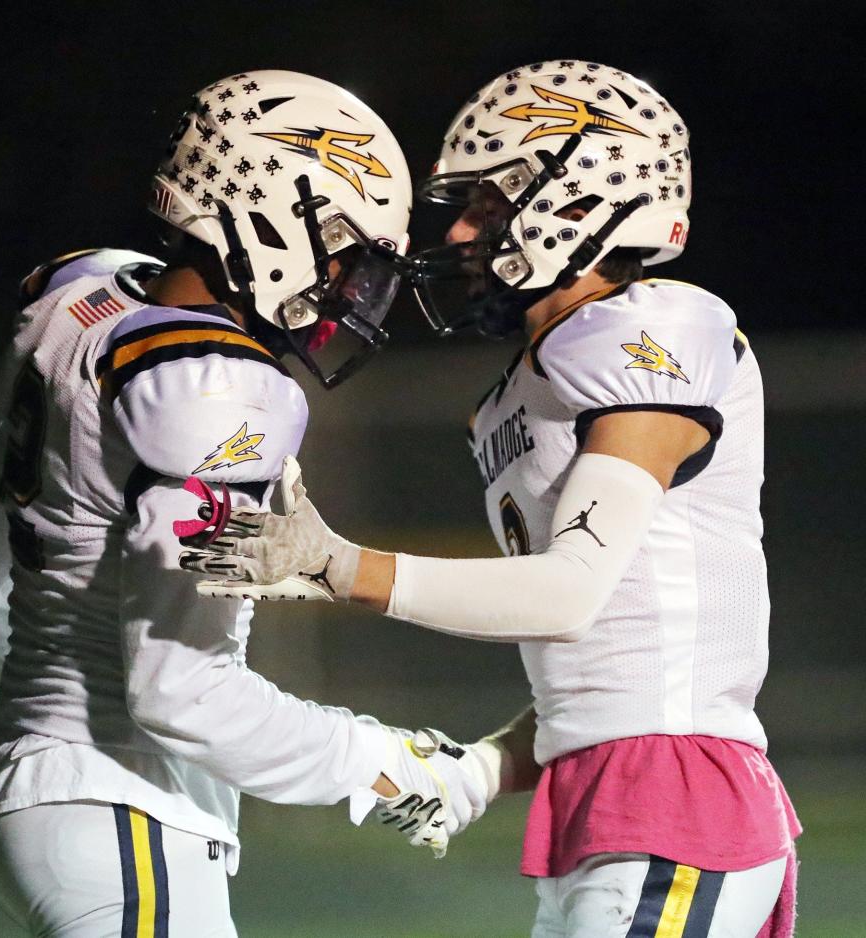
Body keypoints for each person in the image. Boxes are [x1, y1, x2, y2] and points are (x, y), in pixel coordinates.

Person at [180, 61, 802, 938]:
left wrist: (339, 568)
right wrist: (479, 770)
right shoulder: (524, 389)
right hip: (610, 796)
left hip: (678, 801)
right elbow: (611, 673)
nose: (465, 229)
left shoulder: (649, 324)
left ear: (577, 202)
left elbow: (569, 595)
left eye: (487, 202)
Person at [0, 70, 496, 938]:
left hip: (36, 800)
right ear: (273, 214)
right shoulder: (221, 384)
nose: (349, 286)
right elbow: (182, 695)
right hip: (121, 806)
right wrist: (388, 766)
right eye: (345, 252)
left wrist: (32, 715)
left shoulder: (84, 301)